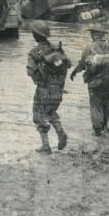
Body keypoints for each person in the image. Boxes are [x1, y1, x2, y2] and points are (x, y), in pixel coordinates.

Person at [26, 21, 71, 154]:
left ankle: (45, 145)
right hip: (58, 88)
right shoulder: (57, 48)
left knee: (38, 116)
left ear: (35, 35)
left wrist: (38, 77)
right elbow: (68, 64)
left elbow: (29, 71)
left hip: (44, 89)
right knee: (51, 112)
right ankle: (60, 132)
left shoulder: (34, 52)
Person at [70, 27, 109, 136]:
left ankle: (98, 130)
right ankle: (105, 126)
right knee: (106, 104)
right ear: (103, 35)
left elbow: (82, 63)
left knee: (95, 105)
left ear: (95, 35)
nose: (91, 35)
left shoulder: (89, 47)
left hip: (95, 82)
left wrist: (74, 71)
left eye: (92, 33)